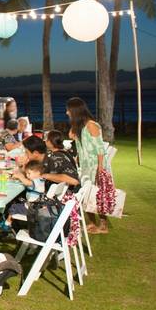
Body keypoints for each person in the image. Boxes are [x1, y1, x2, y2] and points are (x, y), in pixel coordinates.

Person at [67, 97, 114, 235]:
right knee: (87, 195)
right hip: (86, 167)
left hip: (95, 166)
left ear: (75, 110)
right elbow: (71, 136)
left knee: (98, 196)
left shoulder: (91, 125)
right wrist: (74, 123)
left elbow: (100, 149)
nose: (67, 112)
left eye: (69, 110)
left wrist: (100, 168)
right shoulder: (80, 127)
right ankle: (92, 223)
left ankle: (103, 226)